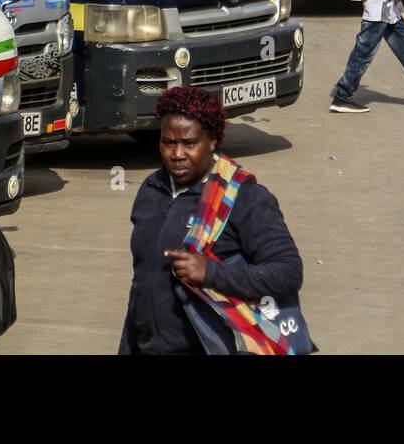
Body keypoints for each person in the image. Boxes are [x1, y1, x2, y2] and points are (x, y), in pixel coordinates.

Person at [119, 86, 308, 355]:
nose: (177, 154)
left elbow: (288, 272)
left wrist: (212, 273)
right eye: (168, 142)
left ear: (212, 141)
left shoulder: (245, 199)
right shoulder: (151, 191)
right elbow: (141, 282)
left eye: (189, 143)